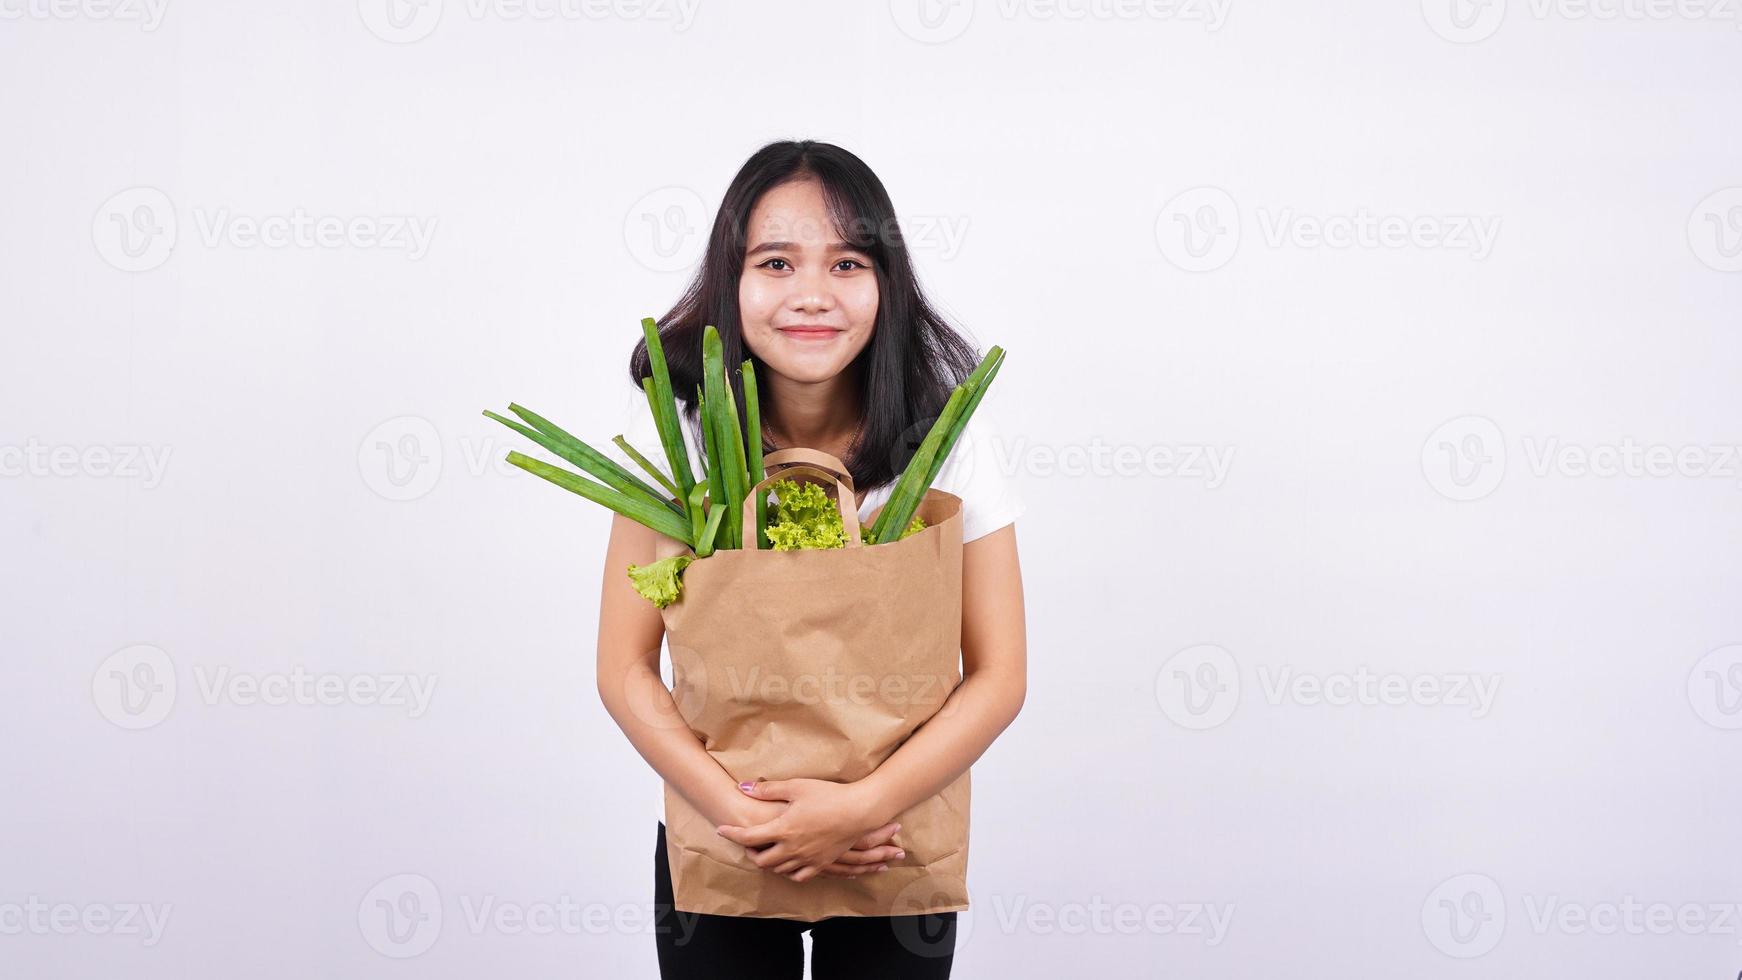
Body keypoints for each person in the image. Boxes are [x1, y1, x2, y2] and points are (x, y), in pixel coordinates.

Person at [596, 139, 1028, 979]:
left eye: (847, 263)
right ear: (732, 278)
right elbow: (623, 669)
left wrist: (860, 807)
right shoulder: (683, 437)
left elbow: (1001, 676)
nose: (811, 296)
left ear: (886, 284)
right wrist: (742, 814)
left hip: (892, 836)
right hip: (724, 837)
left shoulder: (945, 444)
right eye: (777, 263)